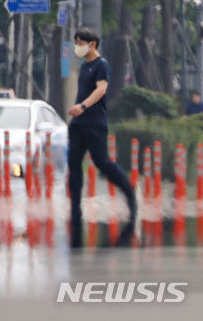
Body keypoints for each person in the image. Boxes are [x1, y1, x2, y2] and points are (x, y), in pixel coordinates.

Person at [67, 27, 137, 248]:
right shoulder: (85, 65)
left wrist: (82, 106)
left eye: (81, 42)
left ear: (92, 44)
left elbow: (101, 90)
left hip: (95, 124)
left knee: (102, 163)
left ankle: (130, 194)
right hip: (78, 125)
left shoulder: (101, 65)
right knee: (74, 166)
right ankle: (75, 207)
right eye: (76, 42)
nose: (78, 46)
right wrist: (77, 112)